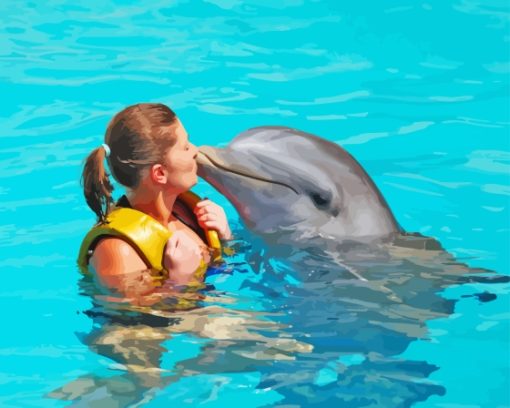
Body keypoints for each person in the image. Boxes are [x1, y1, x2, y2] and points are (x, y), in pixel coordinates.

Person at [79, 103, 231, 301]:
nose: (195, 150)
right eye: (185, 147)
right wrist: (179, 280)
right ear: (160, 173)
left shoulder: (186, 212)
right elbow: (131, 326)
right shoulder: (117, 250)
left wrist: (227, 237)